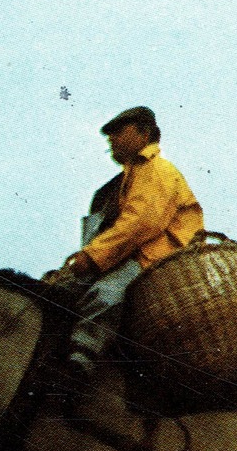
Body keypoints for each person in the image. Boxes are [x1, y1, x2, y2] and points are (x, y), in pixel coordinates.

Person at [55, 106, 205, 374]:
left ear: (143, 133)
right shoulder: (128, 176)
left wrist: (92, 257)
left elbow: (139, 223)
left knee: (105, 293)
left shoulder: (156, 170)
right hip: (136, 252)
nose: (110, 139)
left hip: (160, 256)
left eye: (117, 132)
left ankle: (80, 363)